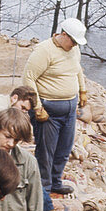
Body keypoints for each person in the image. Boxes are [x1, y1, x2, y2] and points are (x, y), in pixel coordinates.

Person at [22, 17, 88, 195]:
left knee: (64, 149)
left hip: (69, 109)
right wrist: (36, 107)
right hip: (48, 109)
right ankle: (44, 186)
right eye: (73, 41)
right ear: (63, 34)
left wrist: (82, 90)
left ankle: (56, 181)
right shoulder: (44, 50)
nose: (75, 45)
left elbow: (77, 69)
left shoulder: (74, 50)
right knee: (46, 151)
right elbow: (29, 78)